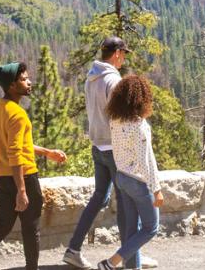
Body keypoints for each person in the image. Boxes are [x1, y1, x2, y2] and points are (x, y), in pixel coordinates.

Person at [0, 62, 67, 270]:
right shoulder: (18, 114)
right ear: (12, 85)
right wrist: (22, 190)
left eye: (28, 78)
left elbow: (19, 144)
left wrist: (47, 152)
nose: (29, 82)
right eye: (23, 79)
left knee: (1, 227)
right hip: (25, 177)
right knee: (31, 230)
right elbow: (15, 152)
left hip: (2, 177)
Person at [65, 38, 157, 269]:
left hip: (97, 146)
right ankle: (129, 258)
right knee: (127, 209)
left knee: (100, 197)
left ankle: (74, 248)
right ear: (116, 53)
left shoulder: (91, 77)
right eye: (123, 54)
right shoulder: (113, 80)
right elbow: (123, 118)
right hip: (115, 149)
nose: (124, 58)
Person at [97, 75, 163, 270]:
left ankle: (131, 268)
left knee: (131, 230)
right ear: (141, 98)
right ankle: (111, 262)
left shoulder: (115, 121)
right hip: (138, 182)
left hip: (122, 178)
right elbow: (147, 160)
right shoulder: (139, 126)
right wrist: (156, 188)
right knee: (151, 228)